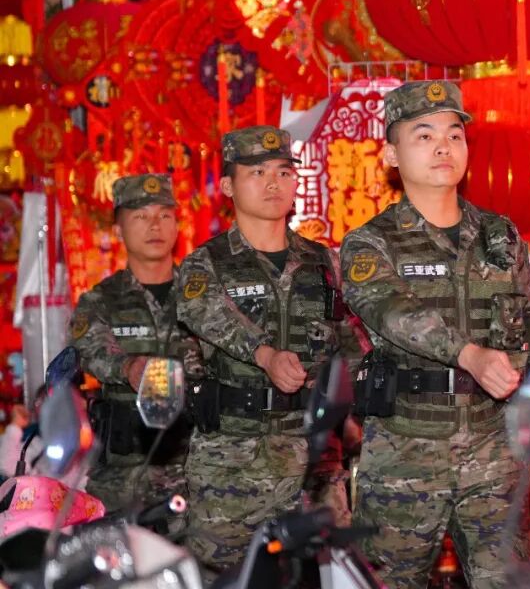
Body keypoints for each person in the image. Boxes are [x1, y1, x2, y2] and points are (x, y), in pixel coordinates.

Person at [340, 81, 530, 589]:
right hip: (404, 450)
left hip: (495, 449)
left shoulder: (499, 235)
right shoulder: (369, 244)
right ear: (391, 155)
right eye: (424, 135)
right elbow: (391, 311)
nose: (443, 147)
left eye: (454, 135)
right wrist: (468, 354)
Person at [176, 125, 358, 571]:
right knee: (229, 577)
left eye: (283, 172)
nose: (273, 182)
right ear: (227, 186)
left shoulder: (326, 263)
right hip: (233, 461)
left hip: (316, 461)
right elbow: (205, 313)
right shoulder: (205, 264)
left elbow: (354, 345)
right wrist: (265, 354)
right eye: (257, 172)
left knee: (334, 576)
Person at [66, 174, 198, 512]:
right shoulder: (100, 301)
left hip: (199, 475)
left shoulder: (202, 296)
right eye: (141, 216)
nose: (155, 225)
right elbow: (90, 348)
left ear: (177, 225)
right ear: (118, 230)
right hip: (126, 481)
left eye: (164, 215)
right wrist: (127, 367)